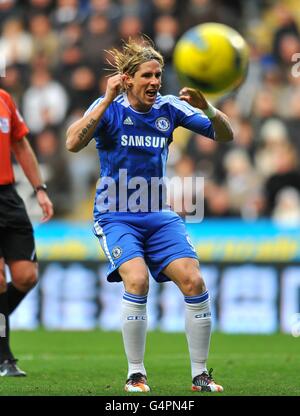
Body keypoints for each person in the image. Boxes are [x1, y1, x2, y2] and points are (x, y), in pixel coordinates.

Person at [66, 38, 233, 393]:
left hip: (158, 213)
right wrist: (107, 98)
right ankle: (136, 373)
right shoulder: (108, 107)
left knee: (194, 281)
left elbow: (225, 135)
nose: (155, 81)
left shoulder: (169, 107)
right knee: (138, 280)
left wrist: (209, 109)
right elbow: (72, 142)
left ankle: (200, 375)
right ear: (127, 79)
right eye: (147, 75)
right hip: (115, 214)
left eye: (158, 75)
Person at [0, 88, 53, 376]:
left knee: (26, 276)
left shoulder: (5, 99)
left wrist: (39, 189)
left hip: (8, 196)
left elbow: (20, 145)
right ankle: (3, 357)